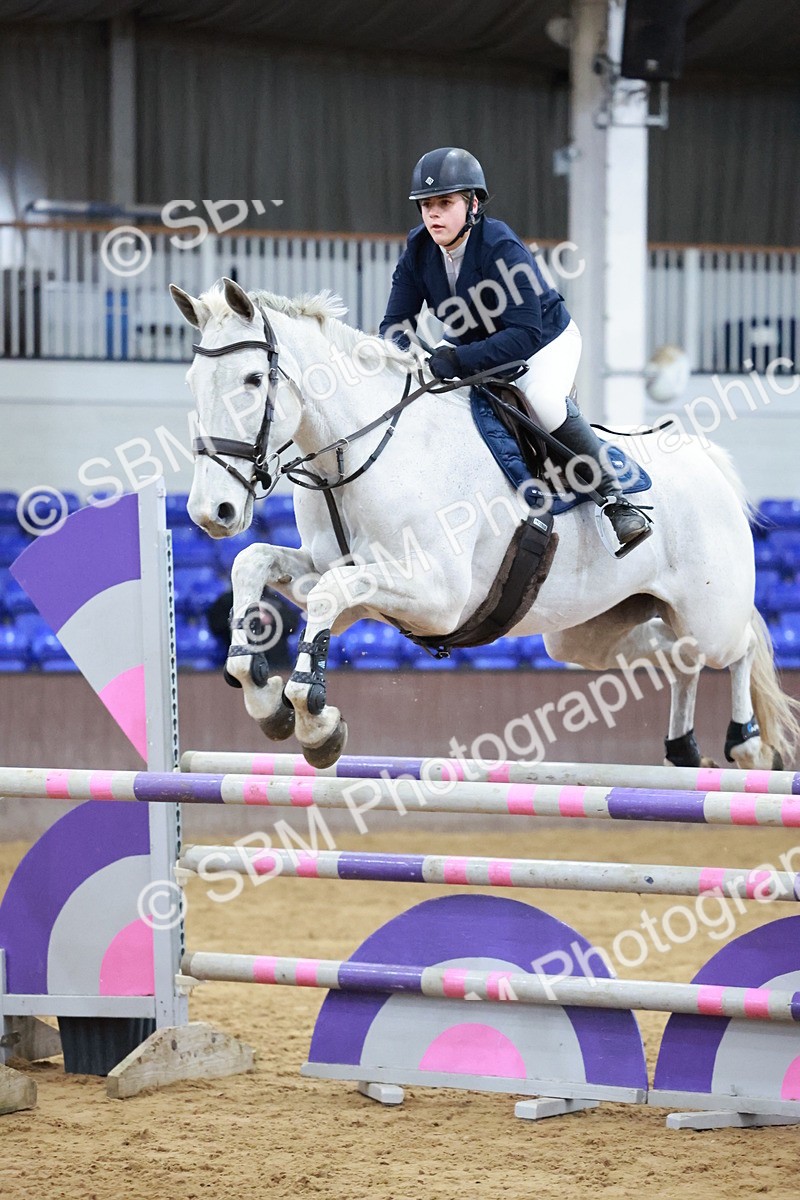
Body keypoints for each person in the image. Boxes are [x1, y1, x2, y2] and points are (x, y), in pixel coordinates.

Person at [379, 146, 649, 548]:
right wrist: (400, 357)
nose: (433, 214)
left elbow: (523, 334)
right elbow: (395, 325)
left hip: (543, 342)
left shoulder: (501, 247)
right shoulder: (419, 249)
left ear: (472, 204)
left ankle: (616, 500)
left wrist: (458, 359)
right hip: (471, 344)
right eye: (426, 205)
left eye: (445, 203)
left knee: (543, 400)